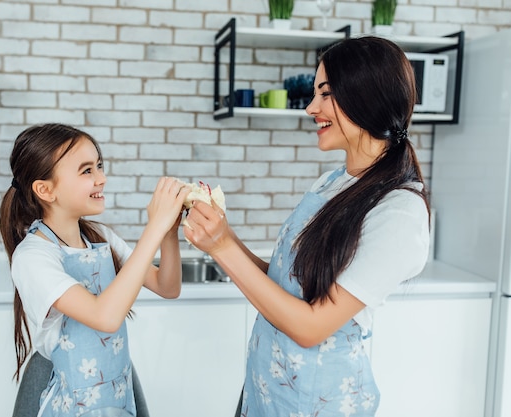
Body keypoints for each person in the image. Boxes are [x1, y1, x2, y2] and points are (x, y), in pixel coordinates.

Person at [183, 36, 430, 416]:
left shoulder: (399, 211)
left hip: (318, 401)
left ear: (366, 95)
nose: (312, 108)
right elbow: (284, 281)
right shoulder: (331, 182)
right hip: (266, 387)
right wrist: (224, 234)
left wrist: (222, 248)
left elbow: (311, 326)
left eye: (325, 93)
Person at [0, 123, 190, 417]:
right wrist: (154, 227)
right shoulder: (34, 256)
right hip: (71, 401)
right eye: (87, 170)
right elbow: (105, 317)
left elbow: (168, 287)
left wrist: (168, 231)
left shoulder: (100, 238)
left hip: (115, 389)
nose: (102, 178)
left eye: (99, 166)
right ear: (45, 190)